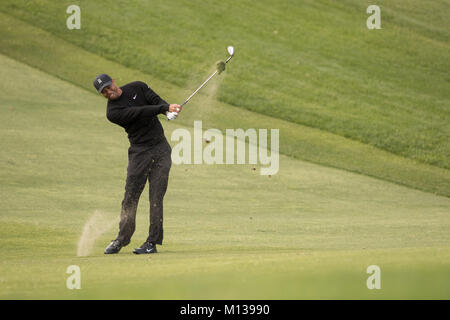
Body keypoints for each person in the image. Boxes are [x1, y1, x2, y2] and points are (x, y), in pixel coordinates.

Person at [93, 74, 182, 254]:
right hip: (139, 153)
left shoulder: (138, 87)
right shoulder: (113, 113)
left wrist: (167, 111)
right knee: (130, 197)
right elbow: (140, 112)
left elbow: (154, 100)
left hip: (161, 149)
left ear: (114, 82)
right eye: (104, 92)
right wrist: (163, 108)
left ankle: (152, 242)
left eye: (109, 86)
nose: (109, 92)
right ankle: (121, 239)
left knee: (156, 198)